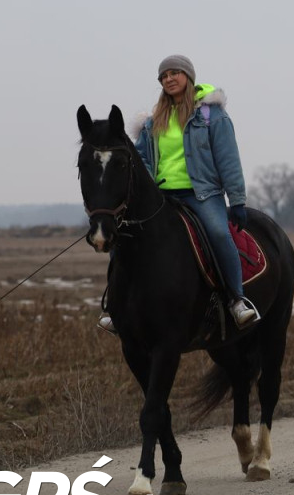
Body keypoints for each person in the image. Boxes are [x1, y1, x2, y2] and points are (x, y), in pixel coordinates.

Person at [99, 54, 258, 332]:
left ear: (188, 76)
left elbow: (228, 159)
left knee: (220, 234)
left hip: (202, 194)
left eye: (175, 73)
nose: (169, 79)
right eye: (164, 76)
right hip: (162, 197)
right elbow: (143, 160)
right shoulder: (152, 121)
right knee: (122, 240)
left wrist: (237, 200)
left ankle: (236, 299)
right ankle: (116, 307)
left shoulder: (211, 115)